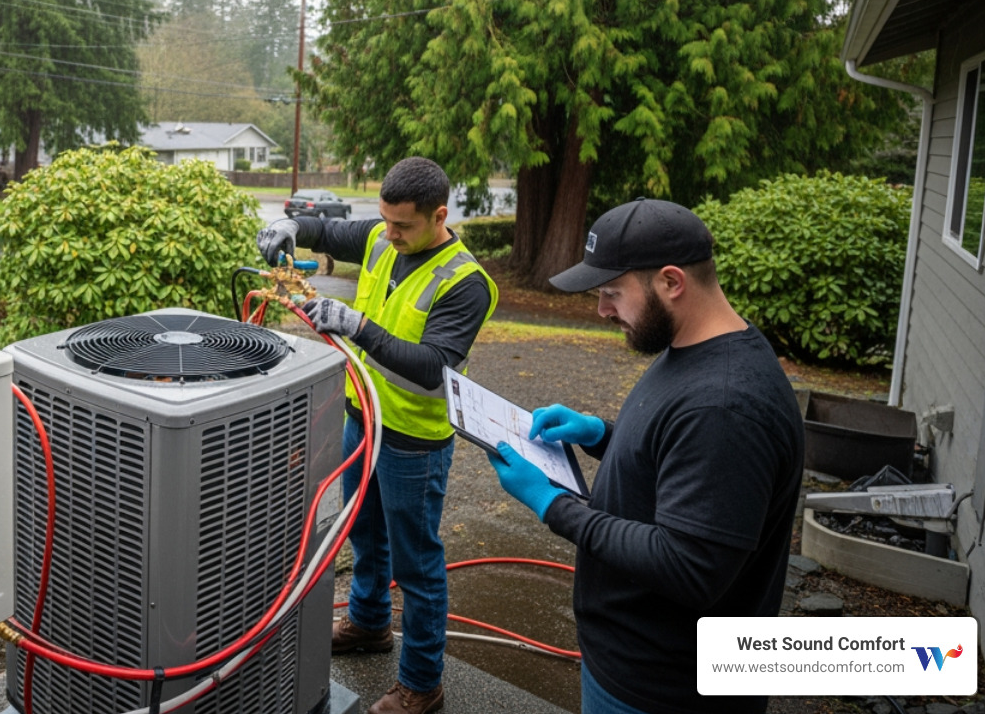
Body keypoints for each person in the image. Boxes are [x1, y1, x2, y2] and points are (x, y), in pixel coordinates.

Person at [487, 198, 803, 714]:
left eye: (613, 293)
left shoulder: (724, 405)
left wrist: (552, 505)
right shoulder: (695, 348)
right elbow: (683, 467)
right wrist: (599, 435)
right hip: (634, 663)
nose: (602, 311)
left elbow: (689, 566)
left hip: (662, 689)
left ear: (672, 282)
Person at [257, 158, 497, 714]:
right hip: (362, 416)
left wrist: (357, 325)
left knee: (417, 565)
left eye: (402, 226)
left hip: (414, 439)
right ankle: (368, 624)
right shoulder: (383, 237)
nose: (388, 234)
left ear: (439, 216)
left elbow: (434, 366)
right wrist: (291, 227)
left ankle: (421, 683)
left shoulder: (466, 283)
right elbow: (325, 230)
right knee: (363, 532)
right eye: (384, 221)